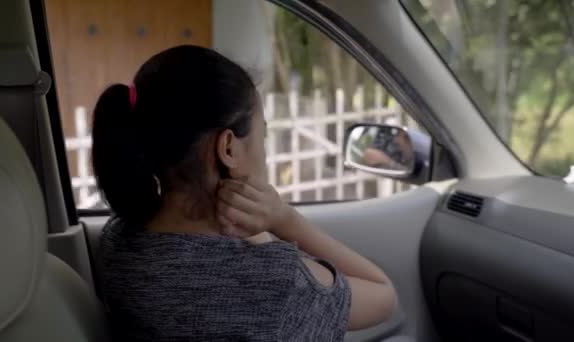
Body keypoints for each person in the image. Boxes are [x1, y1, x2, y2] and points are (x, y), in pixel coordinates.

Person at [92, 45, 396, 341]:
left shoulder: (118, 241)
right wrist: (284, 217)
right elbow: (384, 296)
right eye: (261, 135)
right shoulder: (273, 281)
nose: (264, 152)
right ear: (228, 148)